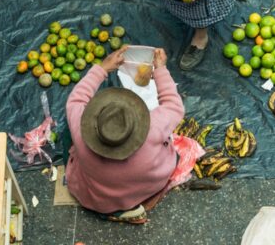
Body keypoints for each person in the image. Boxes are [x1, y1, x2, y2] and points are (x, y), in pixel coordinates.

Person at [64, 45, 185, 223]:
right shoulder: (154, 127)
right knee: (173, 156)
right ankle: (134, 204)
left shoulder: (81, 133)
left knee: (67, 136)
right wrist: (160, 70)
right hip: (147, 186)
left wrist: (102, 68)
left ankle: (109, 211)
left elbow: (76, 100)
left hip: (96, 198)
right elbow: (173, 105)